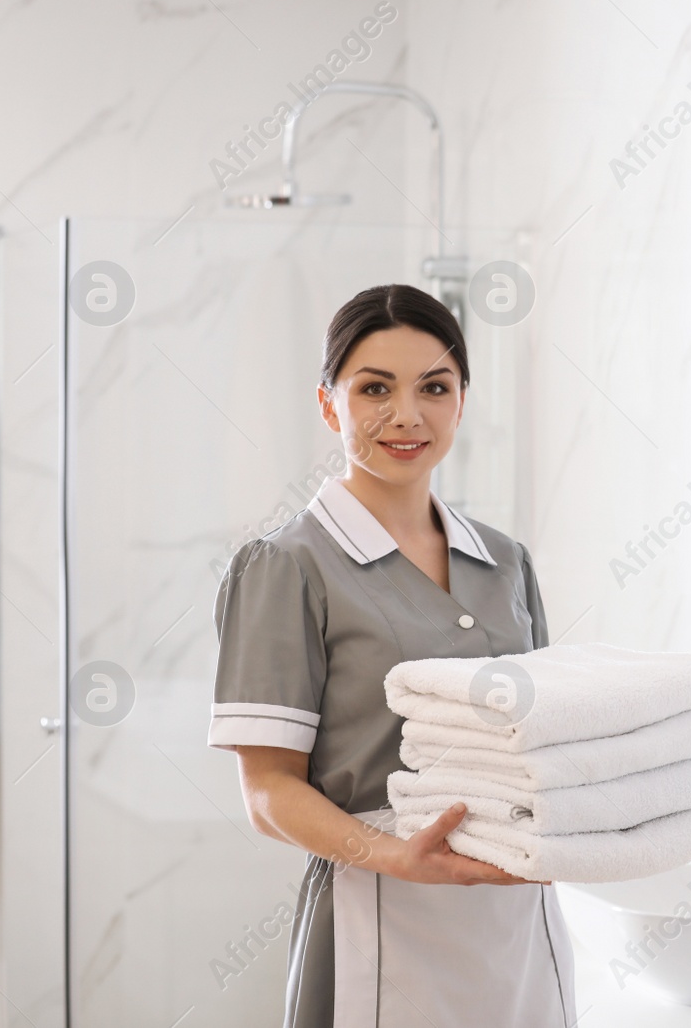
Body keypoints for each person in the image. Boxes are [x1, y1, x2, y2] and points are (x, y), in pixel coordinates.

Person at [207, 284, 574, 1027]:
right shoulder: (286, 567)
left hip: (522, 927)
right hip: (380, 916)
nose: (406, 415)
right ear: (328, 404)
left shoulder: (505, 561)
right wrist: (394, 855)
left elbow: (542, 744)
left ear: (462, 402)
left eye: (434, 387)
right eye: (375, 387)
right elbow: (267, 793)